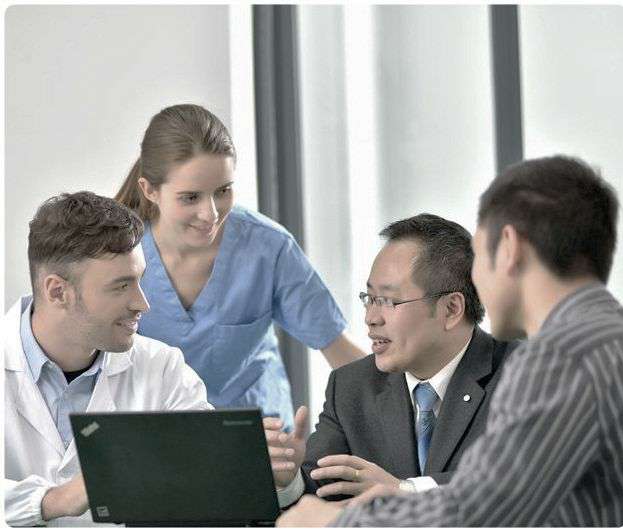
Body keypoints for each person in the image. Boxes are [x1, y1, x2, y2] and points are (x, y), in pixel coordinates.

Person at [277, 155, 623, 527]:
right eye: (370, 298)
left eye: (481, 256)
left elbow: (482, 508)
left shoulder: (560, 358)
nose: (476, 279)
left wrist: (338, 524)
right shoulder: (610, 338)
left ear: (509, 247)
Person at [114, 104, 364, 429]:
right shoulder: (119, 254)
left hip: (259, 436)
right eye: (190, 197)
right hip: (157, 438)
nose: (211, 214)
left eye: (223, 191)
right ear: (150, 190)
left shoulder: (267, 247)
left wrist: (414, 401)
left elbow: (339, 350)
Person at [267, 214, 517, 508]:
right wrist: (289, 481)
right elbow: (320, 491)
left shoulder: (525, 376)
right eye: (369, 298)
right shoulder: (350, 386)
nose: (371, 318)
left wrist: (406, 491)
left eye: (388, 301)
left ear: (451, 309)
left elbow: (515, 482)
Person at [4, 192, 212, 526]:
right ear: (58, 292)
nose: (142, 304)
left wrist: (283, 482)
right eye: (120, 286)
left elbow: (212, 485)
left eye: (139, 280)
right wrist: (53, 500)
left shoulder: (162, 368)